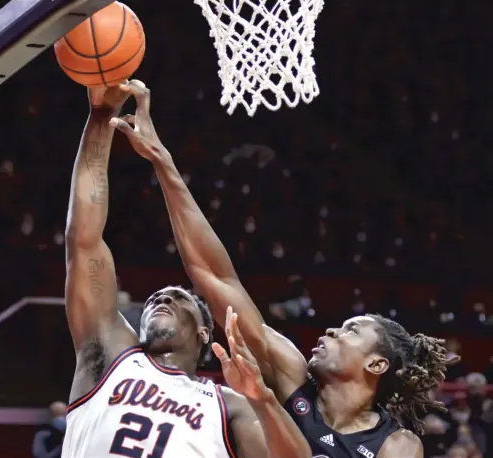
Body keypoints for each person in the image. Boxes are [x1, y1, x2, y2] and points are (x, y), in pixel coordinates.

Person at [110, 82, 457, 458]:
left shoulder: (397, 445)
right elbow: (213, 275)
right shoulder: (290, 372)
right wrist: (163, 162)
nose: (330, 330)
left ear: (376, 363)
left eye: (350, 331)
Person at [62, 81, 312, 458]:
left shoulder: (231, 405)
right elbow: (84, 241)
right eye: (156, 298)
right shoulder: (110, 356)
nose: (162, 296)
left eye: (180, 299)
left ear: (204, 332)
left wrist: (262, 400)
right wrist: (101, 117)